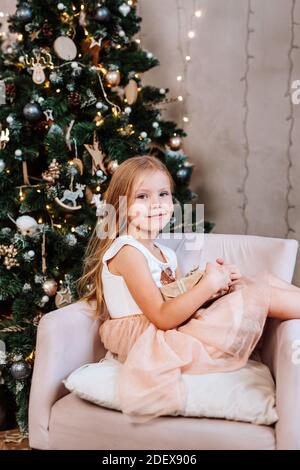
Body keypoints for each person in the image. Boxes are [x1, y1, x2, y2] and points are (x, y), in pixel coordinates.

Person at [77, 155, 300, 424]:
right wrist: (207, 285)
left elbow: (181, 302)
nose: (156, 204)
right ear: (121, 207)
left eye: (163, 194)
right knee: (260, 294)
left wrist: (216, 287)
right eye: (142, 197)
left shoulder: (165, 253)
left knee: (259, 280)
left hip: (171, 327)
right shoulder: (127, 252)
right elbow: (162, 316)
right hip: (150, 337)